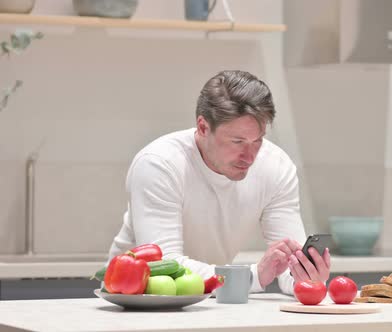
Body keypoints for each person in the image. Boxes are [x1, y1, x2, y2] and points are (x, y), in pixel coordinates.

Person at [107, 70, 330, 294]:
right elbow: (165, 266)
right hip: (133, 296)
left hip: (210, 298)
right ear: (203, 127)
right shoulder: (159, 164)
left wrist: (305, 278)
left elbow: (289, 267)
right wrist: (253, 275)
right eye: (237, 141)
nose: (250, 156)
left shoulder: (277, 168)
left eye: (257, 140)